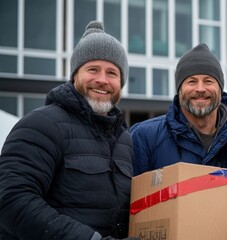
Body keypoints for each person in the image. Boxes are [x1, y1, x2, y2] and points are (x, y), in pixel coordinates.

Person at [0, 21, 138, 240]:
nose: (102, 80)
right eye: (93, 69)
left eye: (112, 72)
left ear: (121, 83)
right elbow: (11, 199)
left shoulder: (124, 139)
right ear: (74, 75)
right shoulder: (41, 124)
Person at [131, 43, 227, 175]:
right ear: (179, 89)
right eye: (192, 81)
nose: (200, 89)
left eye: (208, 81)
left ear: (220, 89)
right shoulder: (144, 137)